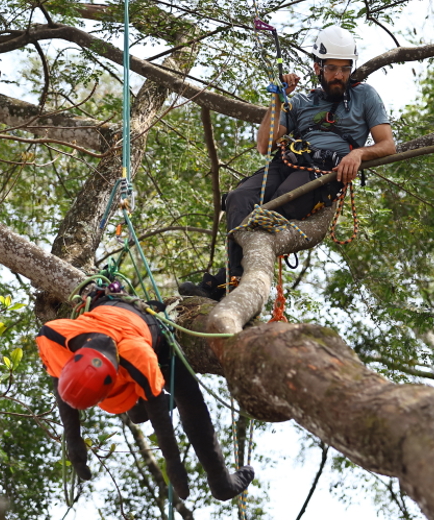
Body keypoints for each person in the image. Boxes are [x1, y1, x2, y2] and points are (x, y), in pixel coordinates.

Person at [180, 26, 397, 300]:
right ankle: (232, 277)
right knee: (238, 198)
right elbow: (264, 145)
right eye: (331, 68)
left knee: (280, 202)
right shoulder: (302, 101)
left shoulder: (364, 96)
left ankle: (231, 280)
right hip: (287, 162)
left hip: (322, 173)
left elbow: (388, 144)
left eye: (345, 68)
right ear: (318, 67)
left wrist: (357, 154)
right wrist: (277, 100)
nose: (339, 75)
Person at [35, 295, 254, 500]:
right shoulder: (56, 334)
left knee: (188, 401)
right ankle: (220, 482)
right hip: (121, 329)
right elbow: (60, 379)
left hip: (147, 335)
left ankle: (219, 482)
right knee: (174, 407)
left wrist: (174, 464)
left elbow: (160, 416)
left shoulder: (135, 354)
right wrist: (73, 439)